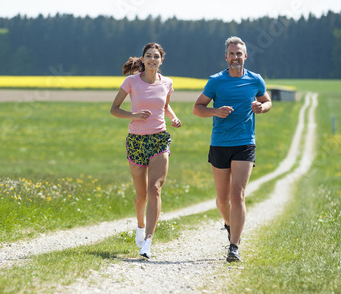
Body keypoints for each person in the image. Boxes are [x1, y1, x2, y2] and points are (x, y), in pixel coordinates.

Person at [193, 36, 272, 262]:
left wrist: (261, 107)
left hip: (245, 142)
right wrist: (215, 112)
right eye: (232, 54)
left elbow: (267, 101)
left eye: (239, 53)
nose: (236, 57)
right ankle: (229, 224)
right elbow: (197, 108)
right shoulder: (216, 81)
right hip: (219, 143)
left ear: (245, 56)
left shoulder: (255, 80)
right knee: (222, 199)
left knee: (238, 194)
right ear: (226, 57)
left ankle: (234, 246)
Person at [111, 42, 182, 259]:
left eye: (156, 56)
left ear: (162, 60)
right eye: (148, 56)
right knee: (141, 196)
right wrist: (133, 116)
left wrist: (174, 117)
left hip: (159, 139)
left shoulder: (167, 83)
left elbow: (164, 105)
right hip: (136, 141)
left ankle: (148, 242)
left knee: (155, 190)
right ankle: (140, 226)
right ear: (142, 59)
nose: (152, 59)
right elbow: (114, 109)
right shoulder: (131, 81)